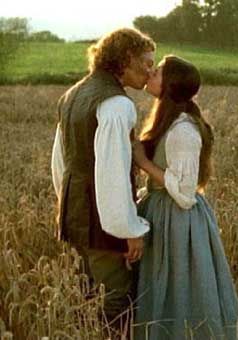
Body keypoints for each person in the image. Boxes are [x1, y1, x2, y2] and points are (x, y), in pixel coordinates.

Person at [51, 28, 155, 335]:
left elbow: (62, 162)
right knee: (116, 300)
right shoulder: (117, 105)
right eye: (147, 62)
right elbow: (112, 172)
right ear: (126, 59)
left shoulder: (72, 94)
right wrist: (128, 230)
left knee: (87, 297)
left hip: (74, 212)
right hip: (102, 218)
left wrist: (67, 204)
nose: (151, 71)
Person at [132, 55, 238, 339]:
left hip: (178, 220)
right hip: (162, 210)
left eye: (156, 72)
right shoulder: (169, 122)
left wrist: (143, 163)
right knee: (163, 287)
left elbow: (184, 192)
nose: (149, 73)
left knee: (181, 291)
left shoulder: (183, 130)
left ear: (169, 85)